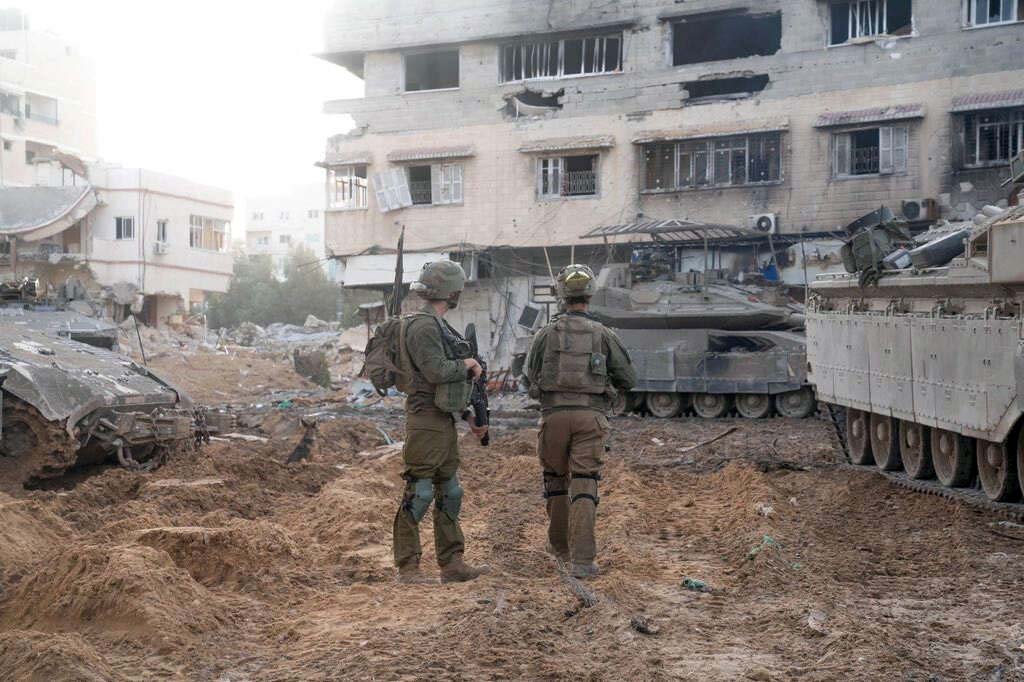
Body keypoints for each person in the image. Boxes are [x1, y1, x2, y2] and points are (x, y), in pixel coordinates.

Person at [526, 264, 636, 579]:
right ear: (590, 295)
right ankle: (583, 562)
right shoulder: (604, 334)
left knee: (556, 481)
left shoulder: (545, 333)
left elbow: (529, 375)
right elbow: (628, 377)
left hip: (554, 417)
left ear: (562, 296)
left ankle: (560, 551)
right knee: (585, 484)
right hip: (591, 418)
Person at [392, 260, 490, 585]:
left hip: (441, 418)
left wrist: (467, 414)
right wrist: (467, 364)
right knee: (419, 491)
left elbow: (443, 381)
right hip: (424, 420)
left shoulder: (438, 325)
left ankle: (452, 563)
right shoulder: (423, 326)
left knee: (450, 491)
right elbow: (435, 371)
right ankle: (408, 567)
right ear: (452, 292)